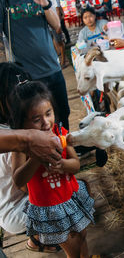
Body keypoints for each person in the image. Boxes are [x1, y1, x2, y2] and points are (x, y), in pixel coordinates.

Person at [9, 81, 94, 257]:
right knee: (73, 247)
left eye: (48, 113)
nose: (46, 122)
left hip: (71, 197)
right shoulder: (22, 146)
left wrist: (63, 165)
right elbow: (18, 181)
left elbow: (76, 164)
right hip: (50, 209)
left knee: (83, 235)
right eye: (36, 119)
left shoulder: (59, 132)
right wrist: (36, 158)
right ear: (22, 123)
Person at [0, 62, 63, 253]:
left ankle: (38, 238)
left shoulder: (13, 131)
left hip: (11, 203)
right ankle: (41, 238)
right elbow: (23, 185)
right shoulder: (16, 139)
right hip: (15, 209)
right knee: (68, 205)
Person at [0, 0, 71, 130]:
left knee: (62, 113)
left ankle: (64, 149)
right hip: (28, 76)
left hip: (53, 68)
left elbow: (57, 26)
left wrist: (45, 4)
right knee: (38, 122)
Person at [45, 0, 68, 68]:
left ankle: (63, 62)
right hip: (48, 24)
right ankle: (59, 59)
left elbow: (57, 10)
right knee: (54, 42)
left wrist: (58, 25)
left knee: (60, 42)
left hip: (54, 24)